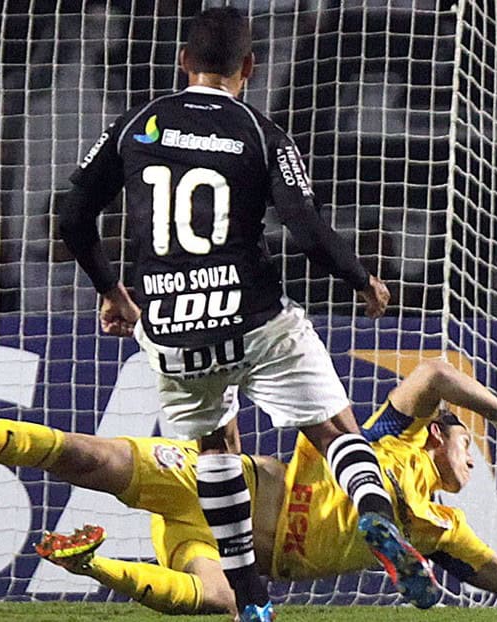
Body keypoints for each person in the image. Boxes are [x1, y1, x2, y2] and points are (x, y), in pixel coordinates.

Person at [56, 7, 430, 618]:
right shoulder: (261, 132)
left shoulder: (136, 124)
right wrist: (361, 278)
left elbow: (73, 215)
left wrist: (111, 290)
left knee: (216, 449)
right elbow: (306, 231)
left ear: (183, 62)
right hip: (254, 318)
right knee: (336, 431)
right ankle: (375, 515)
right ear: (249, 67)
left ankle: (252, 602)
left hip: (173, 328)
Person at [0, 359, 497, 617]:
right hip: (217, 486)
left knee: (220, 604)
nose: (483, 460)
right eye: (477, 447)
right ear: (442, 434)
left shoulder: (441, 529)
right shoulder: (398, 433)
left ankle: (88, 567)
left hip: (224, 549)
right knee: (84, 458)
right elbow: (434, 371)